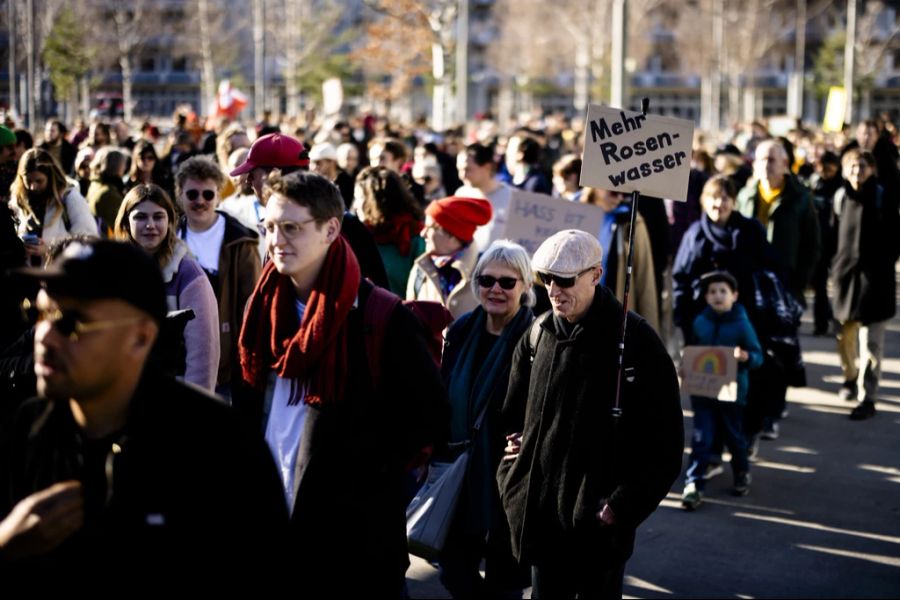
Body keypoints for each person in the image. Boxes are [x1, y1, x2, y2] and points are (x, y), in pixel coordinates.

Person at [0, 239, 287, 582]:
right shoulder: (29, 430)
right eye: (39, 313)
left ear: (139, 338)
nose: (44, 337)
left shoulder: (220, 446)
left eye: (70, 323)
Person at [237, 171, 447, 596]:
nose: (277, 240)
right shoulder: (262, 307)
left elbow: (430, 416)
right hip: (276, 521)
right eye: (271, 227)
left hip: (354, 539)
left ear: (331, 229)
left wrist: (366, 478)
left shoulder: (380, 316)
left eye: (292, 228)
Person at [496, 229, 683, 599]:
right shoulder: (537, 333)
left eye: (564, 279)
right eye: (546, 278)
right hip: (542, 524)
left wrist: (621, 506)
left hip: (598, 529)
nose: (553, 289)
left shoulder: (637, 343)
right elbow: (511, 416)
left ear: (596, 275)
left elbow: (666, 445)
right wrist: (513, 480)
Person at [438, 240, 534, 599]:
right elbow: (442, 394)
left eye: (507, 282)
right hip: (460, 471)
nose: (495, 288)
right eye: (487, 280)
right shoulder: (461, 330)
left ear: (525, 287)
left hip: (510, 475)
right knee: (451, 568)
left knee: (505, 581)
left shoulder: (537, 337)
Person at [113, 184, 220, 391]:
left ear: (170, 221)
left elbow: (202, 353)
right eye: (140, 217)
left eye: (158, 217)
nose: (150, 225)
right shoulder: (112, 269)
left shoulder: (188, 275)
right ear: (126, 222)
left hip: (170, 398)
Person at [174, 156, 261, 400]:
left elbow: (251, 306)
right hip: (178, 361)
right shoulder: (170, 237)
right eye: (192, 194)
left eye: (208, 195)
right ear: (180, 195)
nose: (200, 201)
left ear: (218, 196)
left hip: (226, 367)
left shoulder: (241, 241)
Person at [680, 271, 763, 510]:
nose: (718, 296)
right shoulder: (700, 322)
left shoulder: (742, 324)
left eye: (723, 291)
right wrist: (685, 366)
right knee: (701, 438)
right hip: (703, 393)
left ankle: (741, 472)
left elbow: (757, 356)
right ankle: (694, 484)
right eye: (713, 292)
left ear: (734, 295)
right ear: (706, 297)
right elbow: (693, 351)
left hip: (732, 394)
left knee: (734, 437)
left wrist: (746, 357)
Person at [830, 150, 899, 420]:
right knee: (843, 336)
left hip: (876, 283)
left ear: (871, 169)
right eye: (852, 167)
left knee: (871, 345)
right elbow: (832, 236)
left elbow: (895, 237)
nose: (857, 171)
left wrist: (882, 265)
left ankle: (867, 397)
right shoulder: (840, 198)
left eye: (862, 166)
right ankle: (849, 377)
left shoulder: (883, 198)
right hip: (845, 280)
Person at [582, 187, 659, 332]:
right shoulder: (573, 213)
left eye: (623, 193)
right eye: (612, 191)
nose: (619, 197)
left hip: (613, 314)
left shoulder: (632, 222)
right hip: (579, 312)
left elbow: (644, 279)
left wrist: (648, 333)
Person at [407, 196, 492, 320]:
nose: (422, 233)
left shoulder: (488, 272)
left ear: (452, 234)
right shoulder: (420, 269)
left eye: (430, 228)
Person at [8, 148, 97, 265]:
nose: (33, 187)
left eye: (39, 181)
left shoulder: (71, 199)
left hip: (60, 275)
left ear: (51, 178)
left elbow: (89, 240)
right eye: (28, 181)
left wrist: (50, 250)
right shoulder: (18, 200)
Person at [355, 166, 426, 295]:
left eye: (360, 198)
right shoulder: (358, 237)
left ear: (377, 201)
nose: (356, 205)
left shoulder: (416, 236)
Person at [456, 143, 513, 252]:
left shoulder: (511, 197)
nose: (462, 175)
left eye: (468, 169)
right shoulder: (461, 195)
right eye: (459, 170)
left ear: (487, 167)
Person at [86, 146, 128, 236]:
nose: (125, 168)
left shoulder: (95, 183)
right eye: (123, 164)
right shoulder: (109, 193)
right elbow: (118, 225)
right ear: (116, 166)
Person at [309, 142, 354, 209]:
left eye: (318, 163)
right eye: (312, 163)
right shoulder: (312, 183)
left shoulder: (347, 182)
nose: (314, 167)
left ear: (331, 162)